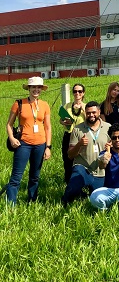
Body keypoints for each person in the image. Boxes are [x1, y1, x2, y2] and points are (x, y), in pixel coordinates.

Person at [5, 76, 52, 205]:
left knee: (35, 176)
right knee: (16, 177)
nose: (36, 90)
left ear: (41, 89)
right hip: (23, 144)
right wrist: (12, 138)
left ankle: (32, 201)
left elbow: (48, 127)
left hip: (40, 144)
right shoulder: (19, 104)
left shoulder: (45, 105)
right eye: (33, 87)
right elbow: (9, 124)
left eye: (38, 87)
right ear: (29, 88)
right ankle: (11, 205)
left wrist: (48, 147)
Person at [61, 101, 110, 206]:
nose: (91, 115)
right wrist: (79, 144)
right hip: (82, 168)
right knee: (73, 188)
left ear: (99, 112)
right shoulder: (77, 129)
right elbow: (70, 155)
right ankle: (65, 201)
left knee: (99, 199)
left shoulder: (108, 128)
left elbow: (117, 149)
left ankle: (85, 194)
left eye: (94, 112)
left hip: (101, 171)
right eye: (88, 113)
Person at [60, 83, 86, 183]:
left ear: (83, 93)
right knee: (67, 160)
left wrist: (83, 110)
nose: (77, 93)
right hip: (68, 135)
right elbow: (61, 119)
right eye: (75, 91)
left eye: (79, 91)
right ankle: (68, 182)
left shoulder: (86, 106)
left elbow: (91, 120)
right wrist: (63, 121)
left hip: (81, 136)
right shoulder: (67, 106)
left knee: (81, 160)